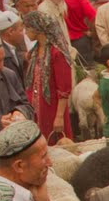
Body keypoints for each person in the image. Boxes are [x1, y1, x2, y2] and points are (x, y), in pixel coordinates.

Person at [21, 10, 75, 142]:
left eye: (27, 28)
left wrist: (59, 117)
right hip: (35, 107)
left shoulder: (57, 54)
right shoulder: (34, 52)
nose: (25, 32)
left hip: (52, 108)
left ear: (37, 29)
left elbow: (63, 89)